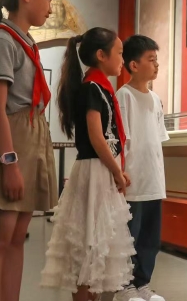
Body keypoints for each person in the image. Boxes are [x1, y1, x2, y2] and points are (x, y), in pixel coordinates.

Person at [0, 0, 58, 301]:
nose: (49, 8)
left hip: (33, 133)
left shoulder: (27, 42)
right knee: (0, 235)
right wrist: (9, 162)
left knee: (17, 235)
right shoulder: (2, 40)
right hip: (13, 138)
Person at [41, 27, 135, 301]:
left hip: (102, 170)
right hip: (95, 171)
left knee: (100, 243)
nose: (122, 59)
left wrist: (116, 170)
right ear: (101, 55)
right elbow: (96, 137)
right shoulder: (91, 88)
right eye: (119, 53)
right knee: (88, 244)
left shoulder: (100, 87)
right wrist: (116, 171)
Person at [113, 35, 169, 301]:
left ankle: (143, 284)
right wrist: (120, 175)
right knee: (129, 238)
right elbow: (121, 143)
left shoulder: (155, 99)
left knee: (150, 239)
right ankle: (124, 286)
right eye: (151, 59)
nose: (156, 65)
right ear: (134, 65)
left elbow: (157, 140)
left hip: (154, 182)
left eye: (156, 60)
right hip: (133, 182)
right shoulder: (123, 96)